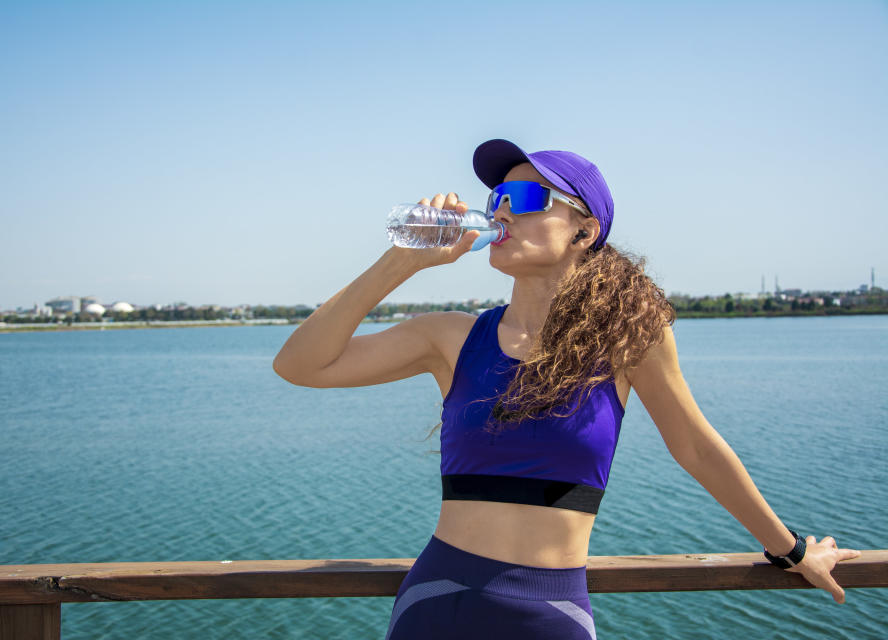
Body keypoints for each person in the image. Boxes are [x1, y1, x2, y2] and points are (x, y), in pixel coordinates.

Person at [272, 139, 860, 639]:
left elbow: (697, 449)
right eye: (496, 200)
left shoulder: (631, 341)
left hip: (549, 615)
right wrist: (401, 262)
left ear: (586, 228)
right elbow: (299, 365)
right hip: (435, 602)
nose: (502, 212)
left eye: (526, 198)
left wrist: (791, 550)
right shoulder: (451, 337)